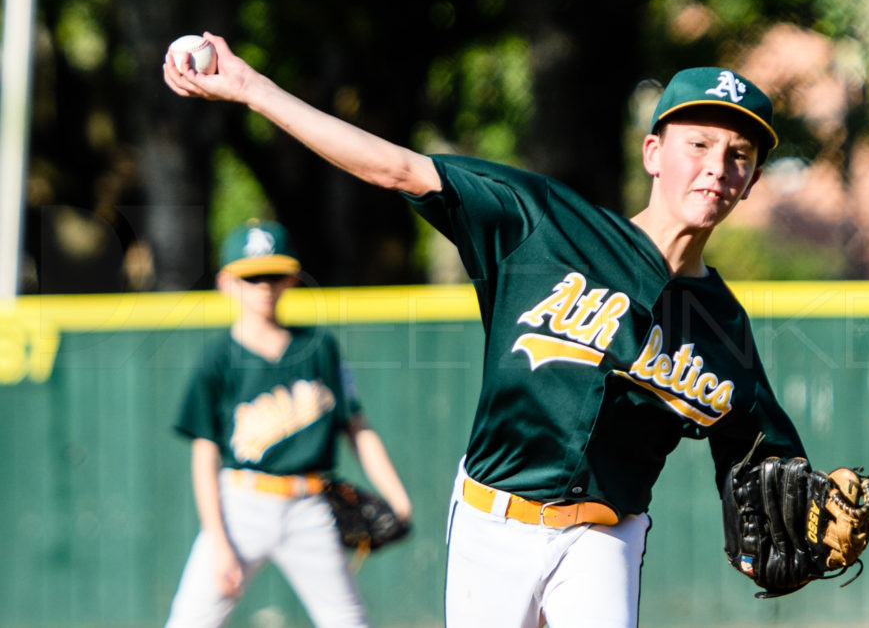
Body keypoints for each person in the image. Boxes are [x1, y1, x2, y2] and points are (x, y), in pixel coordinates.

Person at [164, 34, 806, 628]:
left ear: (750, 181)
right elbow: (395, 168)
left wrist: (797, 505)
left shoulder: (723, 329)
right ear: (653, 152)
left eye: (739, 155)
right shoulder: (546, 224)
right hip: (493, 522)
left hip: (605, 536)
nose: (717, 166)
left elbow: (763, 452)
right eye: (698, 143)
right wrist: (253, 88)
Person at [165, 218, 412, 628]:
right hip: (241, 503)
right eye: (252, 277)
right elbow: (204, 456)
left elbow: (358, 428)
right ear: (227, 283)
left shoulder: (318, 348)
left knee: (349, 621)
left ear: (292, 279)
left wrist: (396, 496)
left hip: (309, 505)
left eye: (274, 275)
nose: (264, 286)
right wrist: (219, 540)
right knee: (190, 620)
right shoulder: (217, 358)